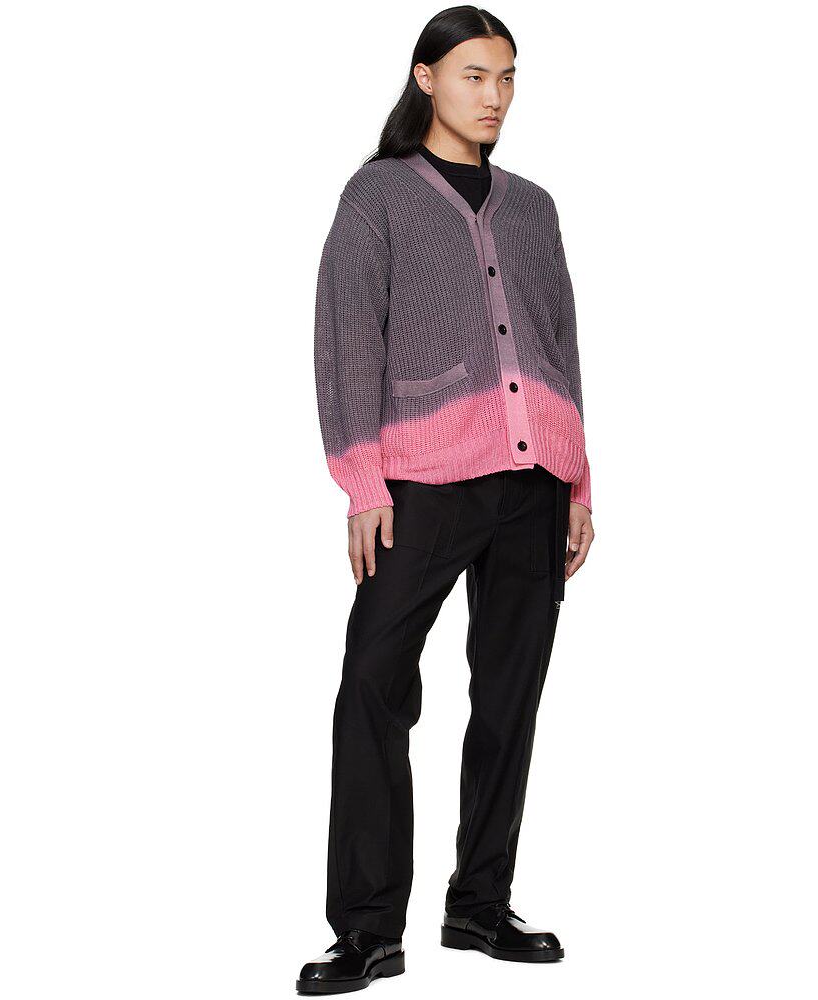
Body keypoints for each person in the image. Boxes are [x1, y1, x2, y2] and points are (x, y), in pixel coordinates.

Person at [298, 6, 594, 993]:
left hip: (533, 485)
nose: (494, 96)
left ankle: (479, 905)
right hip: (419, 485)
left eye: (507, 77)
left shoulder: (533, 207)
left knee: (509, 696)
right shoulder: (377, 195)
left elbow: (558, 346)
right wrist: (361, 481)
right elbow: (346, 341)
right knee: (372, 685)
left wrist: (576, 477)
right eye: (474, 75)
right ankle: (367, 928)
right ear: (425, 77)